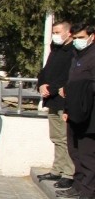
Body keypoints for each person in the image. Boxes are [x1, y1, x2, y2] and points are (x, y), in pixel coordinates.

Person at [57, 24, 95, 199]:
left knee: (88, 155)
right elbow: (71, 84)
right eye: (76, 37)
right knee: (75, 152)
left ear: (92, 36)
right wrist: (67, 109)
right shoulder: (77, 55)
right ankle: (78, 186)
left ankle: (89, 193)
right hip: (74, 112)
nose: (77, 41)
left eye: (81, 37)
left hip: (89, 116)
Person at [37, 21, 75, 183]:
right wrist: (41, 85)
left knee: (65, 138)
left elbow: (68, 76)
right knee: (56, 138)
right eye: (53, 32)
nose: (55, 35)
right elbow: (45, 71)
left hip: (64, 101)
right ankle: (57, 169)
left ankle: (68, 173)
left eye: (58, 32)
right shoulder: (56, 49)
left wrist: (51, 88)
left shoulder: (74, 52)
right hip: (51, 100)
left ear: (69, 33)